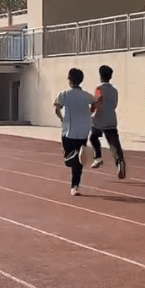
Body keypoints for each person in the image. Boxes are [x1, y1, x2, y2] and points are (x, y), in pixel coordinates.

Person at [54, 67, 97, 196]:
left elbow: (57, 108)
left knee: (68, 159)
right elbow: (94, 103)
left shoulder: (64, 94)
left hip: (69, 131)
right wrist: (89, 114)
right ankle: (75, 186)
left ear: (69, 79)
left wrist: (62, 119)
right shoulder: (86, 95)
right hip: (83, 130)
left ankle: (77, 156)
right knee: (78, 163)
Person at [89, 65, 126, 179]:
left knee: (93, 137)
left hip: (100, 119)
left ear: (100, 76)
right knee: (114, 144)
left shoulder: (99, 89)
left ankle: (98, 157)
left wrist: (89, 112)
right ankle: (120, 161)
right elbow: (115, 104)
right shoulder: (114, 90)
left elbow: (96, 102)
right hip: (111, 119)